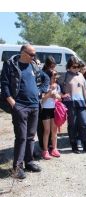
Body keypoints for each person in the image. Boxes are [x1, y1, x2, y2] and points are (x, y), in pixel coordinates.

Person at [0, 44, 49, 179]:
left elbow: (46, 79)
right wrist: (12, 103)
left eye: (35, 54)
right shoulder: (10, 65)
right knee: (21, 137)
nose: (34, 57)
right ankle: (17, 167)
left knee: (31, 136)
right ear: (23, 53)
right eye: (32, 54)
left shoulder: (34, 66)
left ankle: (29, 162)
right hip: (20, 106)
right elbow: (4, 85)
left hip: (34, 106)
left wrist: (41, 92)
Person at [59, 56, 86, 154]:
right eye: (74, 67)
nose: (76, 68)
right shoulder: (64, 76)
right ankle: (74, 146)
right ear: (69, 66)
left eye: (78, 66)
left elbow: (85, 89)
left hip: (81, 102)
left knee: (84, 124)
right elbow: (57, 87)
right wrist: (62, 95)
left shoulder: (81, 76)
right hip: (70, 103)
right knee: (72, 125)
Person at [41, 70, 61, 160]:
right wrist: (49, 93)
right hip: (45, 110)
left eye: (56, 77)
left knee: (54, 130)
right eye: (53, 77)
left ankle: (54, 148)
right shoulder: (44, 86)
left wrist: (56, 97)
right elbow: (42, 100)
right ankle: (45, 150)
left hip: (54, 110)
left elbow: (60, 98)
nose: (55, 79)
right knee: (47, 130)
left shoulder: (57, 86)